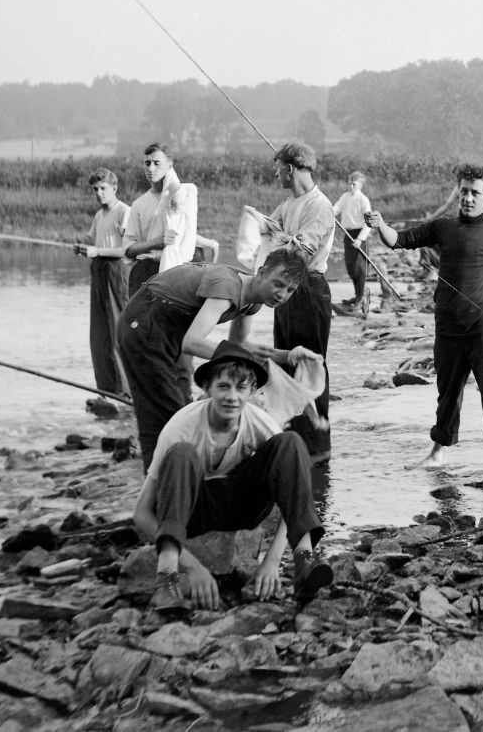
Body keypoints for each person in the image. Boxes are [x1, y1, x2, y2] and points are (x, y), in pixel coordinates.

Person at [132, 340, 331, 615]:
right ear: (207, 389)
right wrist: (194, 566)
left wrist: (272, 561)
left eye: (241, 388)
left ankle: (305, 560)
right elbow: (142, 512)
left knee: (291, 443)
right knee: (181, 454)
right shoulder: (180, 425)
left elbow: (293, 486)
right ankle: (169, 578)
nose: (232, 397)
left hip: (241, 509)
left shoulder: (259, 422)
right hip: (193, 515)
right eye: (223, 386)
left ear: (252, 392)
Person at [366, 164, 483, 477]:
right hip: (447, 329)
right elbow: (398, 240)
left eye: (475, 193)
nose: (468, 198)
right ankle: (437, 453)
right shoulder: (442, 228)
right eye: (464, 192)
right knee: (448, 394)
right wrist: (380, 224)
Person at [117, 249, 318, 471]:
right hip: (144, 324)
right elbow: (193, 342)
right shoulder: (228, 287)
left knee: (183, 407)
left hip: (172, 331)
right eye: (278, 284)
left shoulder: (254, 301)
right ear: (261, 273)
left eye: (290, 290)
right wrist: (246, 358)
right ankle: (161, 489)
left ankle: (186, 477)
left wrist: (288, 356)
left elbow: (239, 345)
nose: (282, 294)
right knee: (165, 416)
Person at [261, 142, 336, 460]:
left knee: (310, 364)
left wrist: (277, 241)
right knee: (286, 361)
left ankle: (318, 448)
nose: (275, 173)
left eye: (277, 167)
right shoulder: (287, 205)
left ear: (290, 169)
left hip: (310, 289)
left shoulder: (318, 205)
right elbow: (264, 235)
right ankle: (294, 443)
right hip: (287, 290)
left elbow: (301, 252)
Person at [72, 168, 131, 402]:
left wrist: (98, 251)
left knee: (117, 329)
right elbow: (94, 240)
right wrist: (82, 248)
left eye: (103, 188)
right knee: (99, 334)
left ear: (114, 188)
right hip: (98, 270)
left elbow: (128, 250)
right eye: (95, 189)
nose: (98, 193)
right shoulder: (99, 215)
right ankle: (106, 391)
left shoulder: (124, 212)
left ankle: (125, 391)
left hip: (116, 271)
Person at [123, 143, 199, 298]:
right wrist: (156, 242)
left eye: (157, 163)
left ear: (169, 165)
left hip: (178, 269)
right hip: (144, 273)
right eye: (147, 163)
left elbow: (189, 233)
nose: (151, 169)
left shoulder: (185, 195)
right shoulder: (139, 204)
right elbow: (128, 249)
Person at [333, 171, 373, 307]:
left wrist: (360, 239)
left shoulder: (363, 200)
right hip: (347, 233)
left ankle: (361, 298)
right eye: (349, 183)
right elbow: (336, 208)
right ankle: (357, 297)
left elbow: (369, 223)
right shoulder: (345, 197)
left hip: (359, 235)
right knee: (350, 268)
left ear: (360, 185)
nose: (351, 186)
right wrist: (328, 212)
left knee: (359, 268)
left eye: (354, 184)